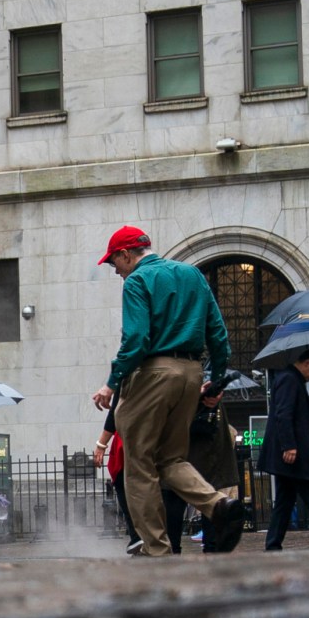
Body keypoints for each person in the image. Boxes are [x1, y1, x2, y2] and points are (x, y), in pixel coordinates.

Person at [89, 225, 242, 557]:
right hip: (191, 372)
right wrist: (213, 380)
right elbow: (218, 334)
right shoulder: (192, 274)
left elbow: (136, 340)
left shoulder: (137, 281)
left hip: (152, 374)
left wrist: (110, 383)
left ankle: (157, 549)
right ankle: (219, 504)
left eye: (114, 263)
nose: (115, 271)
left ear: (126, 254)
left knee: (139, 463)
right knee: (172, 458)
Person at [259, 347, 309, 550]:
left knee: (285, 500)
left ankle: (273, 544)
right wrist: (289, 445)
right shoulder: (289, 379)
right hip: (293, 452)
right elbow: (283, 414)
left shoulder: (293, 380)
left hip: (293, 451)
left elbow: (296, 412)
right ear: (307, 362)